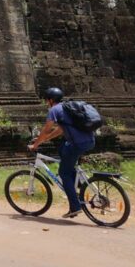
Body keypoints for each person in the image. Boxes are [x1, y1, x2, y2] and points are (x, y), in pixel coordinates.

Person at [28, 87, 96, 219]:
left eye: (47, 100)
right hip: (89, 141)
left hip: (77, 144)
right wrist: (44, 140)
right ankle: (77, 182)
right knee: (63, 149)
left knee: (63, 173)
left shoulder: (54, 110)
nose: (47, 103)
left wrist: (36, 145)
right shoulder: (67, 108)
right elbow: (60, 130)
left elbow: (47, 128)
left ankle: (75, 207)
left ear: (51, 100)